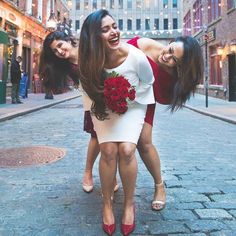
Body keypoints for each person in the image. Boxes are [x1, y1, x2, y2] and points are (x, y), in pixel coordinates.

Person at [81, 34, 204, 213]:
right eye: (170, 50)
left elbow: (164, 96)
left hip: (145, 99)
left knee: (144, 142)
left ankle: (159, 185)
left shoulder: (174, 75)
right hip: (119, 93)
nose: (166, 56)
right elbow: (114, 59)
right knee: (110, 140)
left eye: (173, 60)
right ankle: (110, 180)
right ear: (170, 43)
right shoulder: (142, 44)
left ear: (180, 67)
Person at [79, 9, 155, 236]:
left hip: (133, 105)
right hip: (102, 107)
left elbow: (148, 82)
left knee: (127, 149)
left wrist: (127, 97)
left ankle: (129, 204)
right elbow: (87, 91)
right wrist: (104, 103)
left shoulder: (135, 55)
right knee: (108, 149)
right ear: (94, 37)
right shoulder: (89, 60)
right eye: (105, 30)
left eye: (114, 26)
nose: (114, 32)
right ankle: (107, 204)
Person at [39, 30, 119, 193]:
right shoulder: (65, 66)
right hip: (93, 101)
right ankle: (88, 172)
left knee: (114, 138)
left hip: (112, 95)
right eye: (55, 51)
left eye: (60, 45)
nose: (60, 52)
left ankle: (112, 175)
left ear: (67, 40)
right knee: (97, 138)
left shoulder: (89, 49)